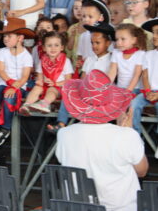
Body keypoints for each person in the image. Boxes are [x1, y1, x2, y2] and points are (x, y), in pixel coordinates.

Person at [56, 69, 149, 211]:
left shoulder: (64, 134)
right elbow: (142, 171)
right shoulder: (126, 136)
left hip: (78, 207)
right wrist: (128, 131)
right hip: (120, 207)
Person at [0, 18, 34, 147]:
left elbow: (24, 78)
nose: (5, 39)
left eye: (9, 36)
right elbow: (0, 70)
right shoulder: (3, 52)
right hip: (4, 83)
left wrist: (14, 87)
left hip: (19, 86)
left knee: (9, 98)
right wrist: (9, 83)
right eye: (4, 36)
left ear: (20, 38)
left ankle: (6, 128)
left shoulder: (27, 56)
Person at [20, 31, 73, 115]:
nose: (53, 48)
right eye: (49, 45)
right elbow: (39, 77)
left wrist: (55, 83)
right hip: (45, 85)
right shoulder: (42, 61)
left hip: (58, 87)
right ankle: (27, 105)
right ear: (44, 48)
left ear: (62, 47)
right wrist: (40, 81)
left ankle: (44, 104)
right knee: (37, 88)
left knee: (52, 90)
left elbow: (68, 81)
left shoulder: (66, 61)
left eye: (56, 45)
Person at [108, 23, 147, 132]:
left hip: (134, 89)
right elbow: (112, 72)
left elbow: (136, 76)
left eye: (123, 39)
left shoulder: (140, 54)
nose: (119, 42)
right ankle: (121, 130)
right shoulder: (116, 53)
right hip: (120, 88)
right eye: (117, 39)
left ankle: (134, 132)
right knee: (115, 105)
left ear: (134, 40)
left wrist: (128, 91)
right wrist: (106, 86)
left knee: (130, 107)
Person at [132, 18, 158, 136]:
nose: (154, 36)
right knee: (134, 104)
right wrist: (147, 91)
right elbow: (145, 75)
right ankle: (135, 135)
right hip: (147, 91)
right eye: (154, 32)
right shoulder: (148, 55)